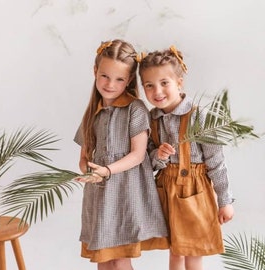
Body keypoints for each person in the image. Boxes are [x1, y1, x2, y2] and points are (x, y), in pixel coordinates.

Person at [74, 39, 168, 270]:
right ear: (95, 71)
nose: (110, 84)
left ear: (128, 81)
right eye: (105, 76)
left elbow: (137, 155)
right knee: (103, 257)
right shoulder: (92, 112)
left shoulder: (135, 109)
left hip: (126, 192)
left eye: (119, 79)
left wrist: (106, 170)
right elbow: (84, 157)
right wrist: (89, 171)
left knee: (119, 257)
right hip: (99, 194)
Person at [138, 46, 234, 270]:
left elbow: (216, 163)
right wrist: (158, 155)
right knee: (175, 250)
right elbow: (146, 162)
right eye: (149, 85)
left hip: (195, 190)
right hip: (167, 189)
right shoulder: (151, 118)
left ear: (179, 82)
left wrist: (225, 201)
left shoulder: (199, 116)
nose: (157, 91)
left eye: (164, 83)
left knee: (193, 249)